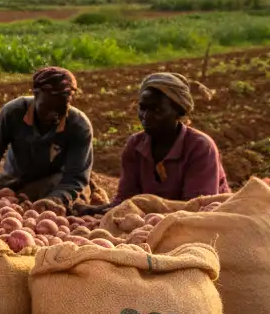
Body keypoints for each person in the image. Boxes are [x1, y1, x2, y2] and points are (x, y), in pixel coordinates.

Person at [84, 72, 228, 212]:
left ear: (179, 112)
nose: (146, 116)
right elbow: (124, 201)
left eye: (158, 110)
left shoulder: (200, 147)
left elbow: (198, 208)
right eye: (142, 108)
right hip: (152, 223)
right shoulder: (135, 145)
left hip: (207, 225)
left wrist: (149, 208)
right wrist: (92, 211)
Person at [0, 66, 94, 209]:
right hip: (14, 183)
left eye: (61, 108)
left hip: (55, 185)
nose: (52, 115)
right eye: (46, 107)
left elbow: (76, 177)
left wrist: (55, 200)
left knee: (74, 203)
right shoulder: (13, 112)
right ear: (35, 95)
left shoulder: (79, 126)